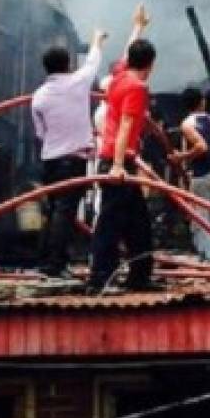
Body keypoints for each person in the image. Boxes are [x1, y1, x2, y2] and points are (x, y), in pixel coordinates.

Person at [31, 28, 108, 277]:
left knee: (53, 211)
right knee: (64, 213)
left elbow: (40, 134)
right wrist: (96, 39)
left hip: (50, 161)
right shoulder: (78, 82)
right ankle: (55, 265)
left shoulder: (39, 97)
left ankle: (47, 262)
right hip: (73, 160)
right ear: (68, 65)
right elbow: (93, 60)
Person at [89, 38, 158, 293]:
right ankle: (99, 280)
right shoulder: (137, 87)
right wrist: (117, 166)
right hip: (117, 162)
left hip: (120, 159)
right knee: (110, 224)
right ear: (151, 64)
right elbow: (126, 126)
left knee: (138, 224)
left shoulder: (118, 77)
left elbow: (125, 53)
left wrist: (139, 27)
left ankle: (140, 277)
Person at [175, 86, 210, 262]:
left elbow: (201, 147)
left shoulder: (188, 124)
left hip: (202, 176)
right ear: (202, 101)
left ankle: (209, 260)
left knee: (201, 220)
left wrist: (181, 156)